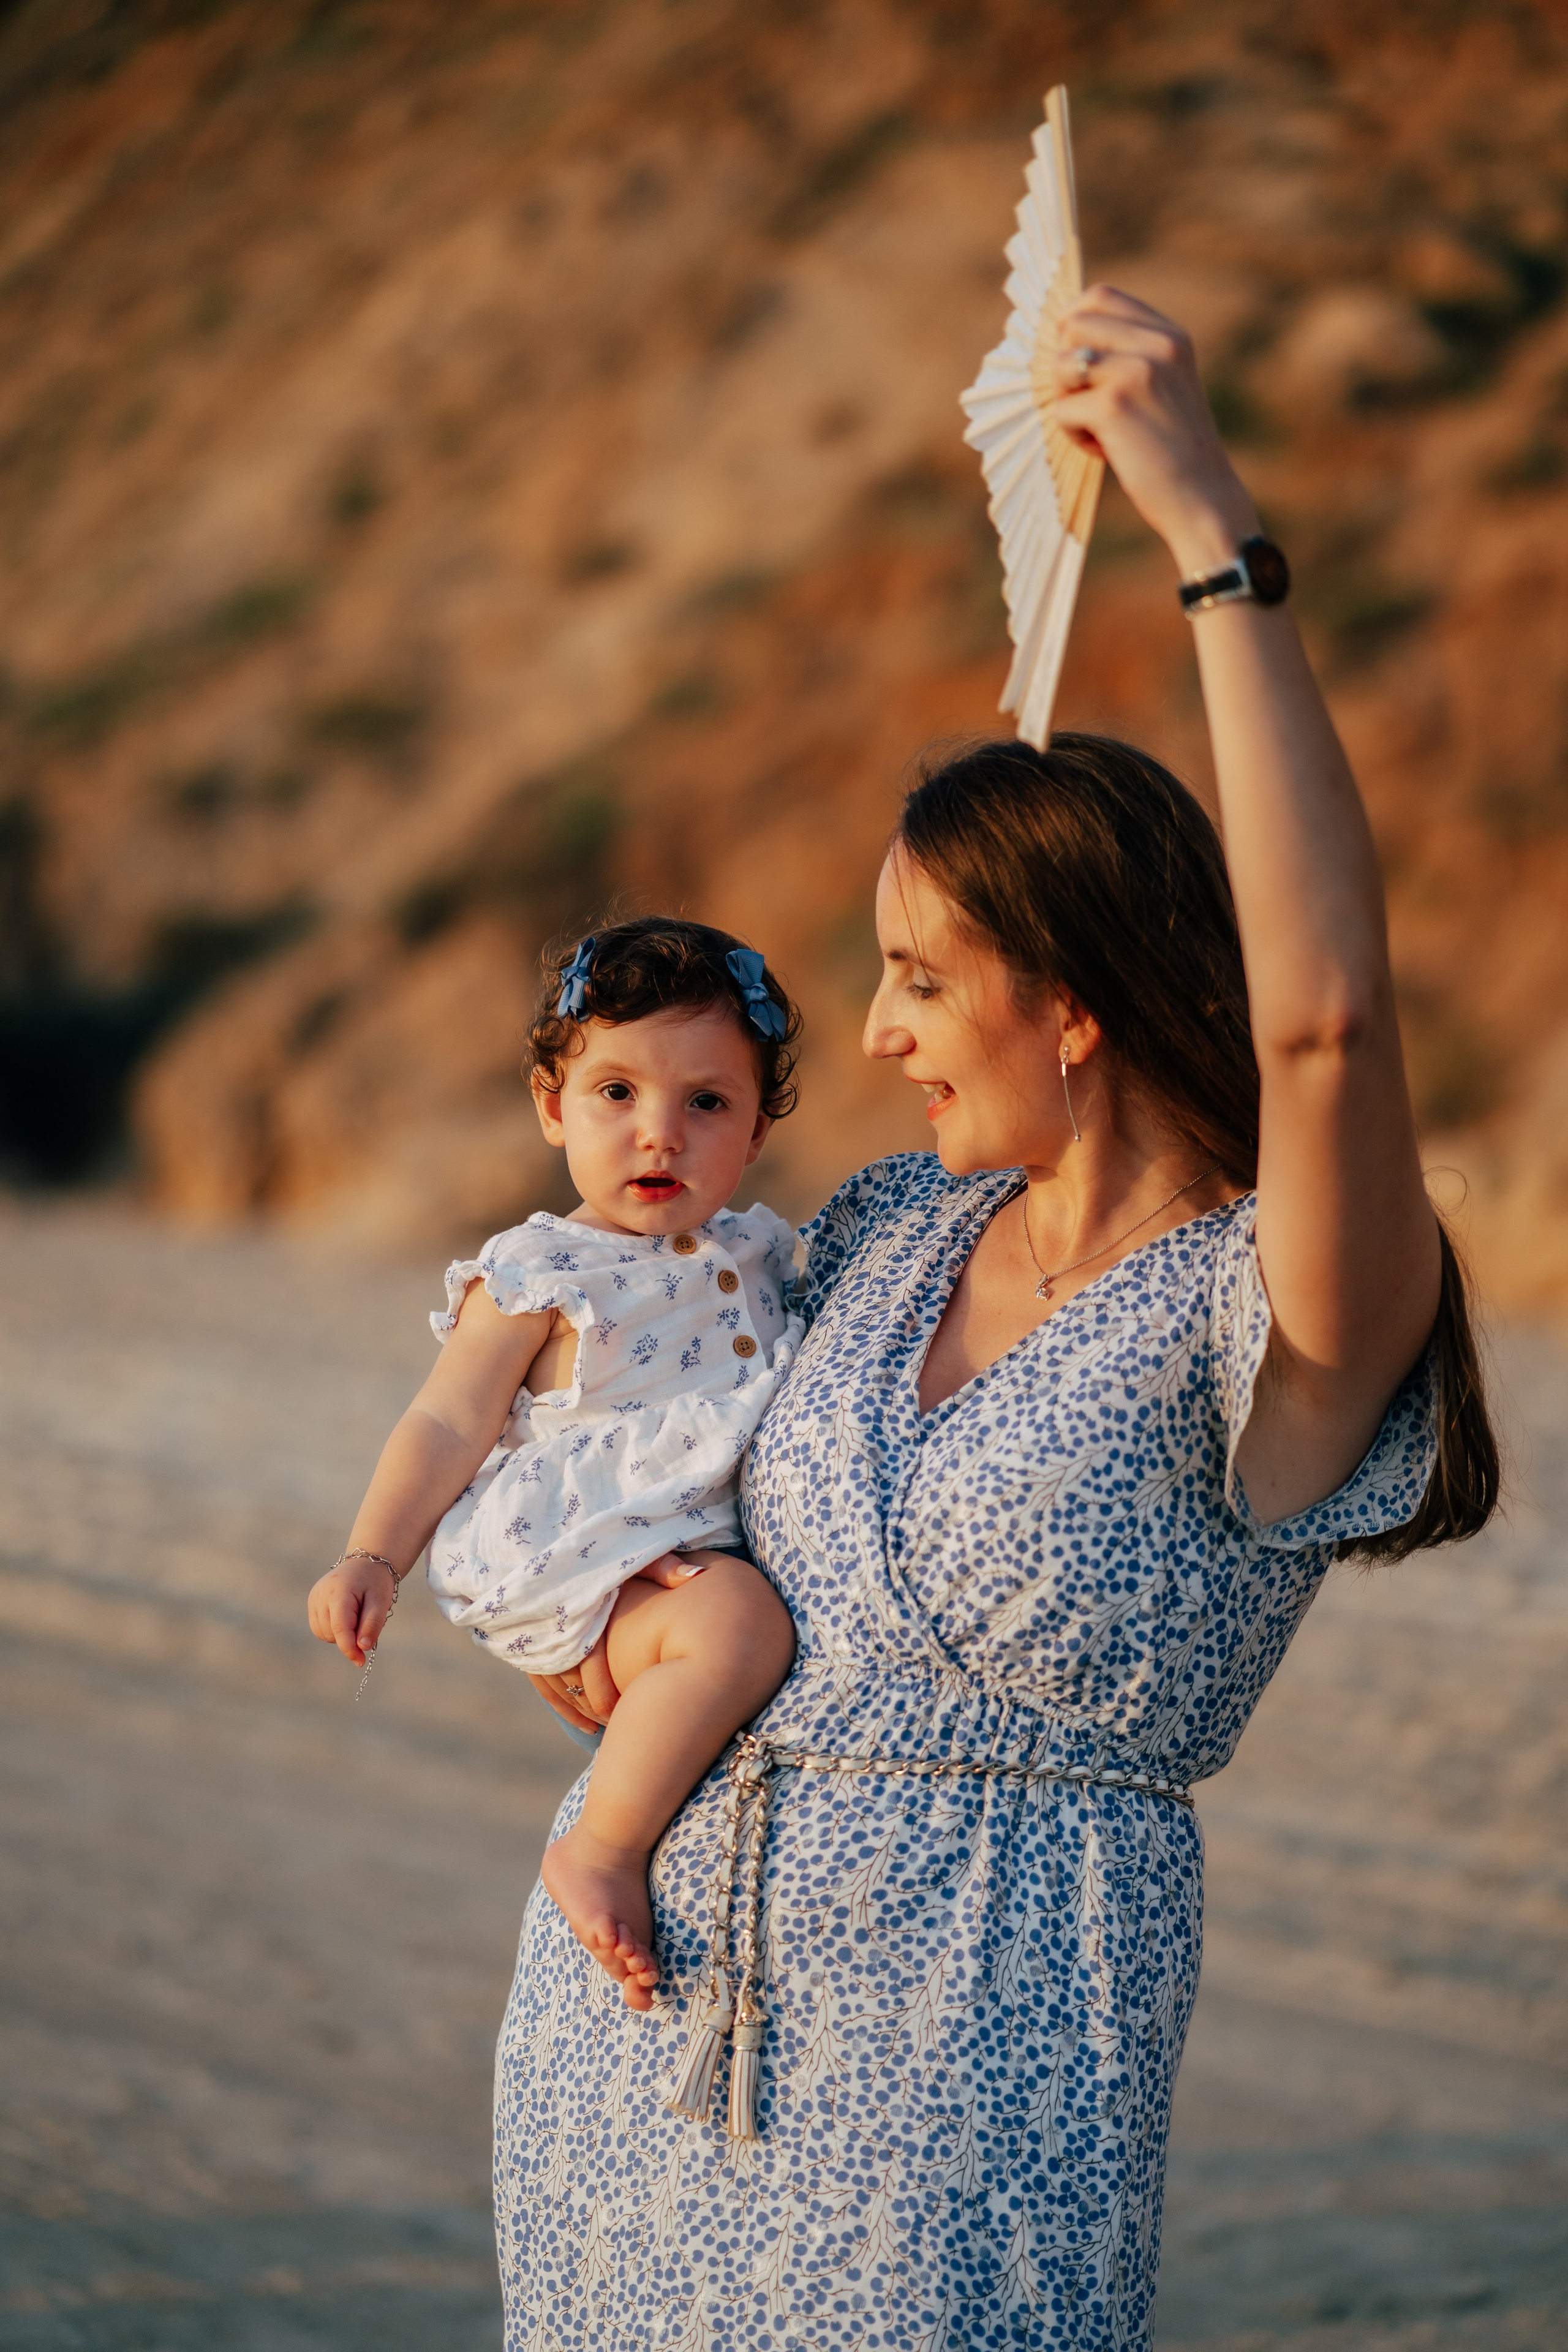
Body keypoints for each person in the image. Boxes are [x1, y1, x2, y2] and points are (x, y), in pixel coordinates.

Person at [495, 286, 1500, 2352]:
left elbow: (1322, 1021)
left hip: (973, 2095)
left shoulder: (1282, 1323)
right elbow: (618, 1432)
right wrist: (585, 1625)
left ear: (1074, 997)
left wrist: (1209, 528)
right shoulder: (879, 1233)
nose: (865, 1033)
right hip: (637, 2023)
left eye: (916, 977)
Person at [307, 918, 801, 1997]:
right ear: (550, 1105)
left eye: (705, 1103)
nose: (658, 1135)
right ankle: (601, 1851)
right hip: (574, 1551)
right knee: (739, 1625)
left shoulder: (761, 1252)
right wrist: (372, 1557)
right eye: (616, 1093)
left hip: (670, 1548)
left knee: (730, 1628)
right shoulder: (542, 1270)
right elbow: (446, 1421)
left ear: (756, 1129)